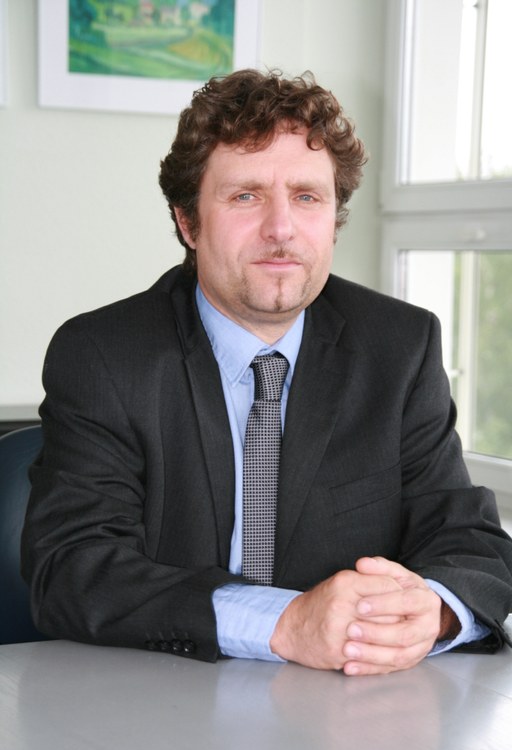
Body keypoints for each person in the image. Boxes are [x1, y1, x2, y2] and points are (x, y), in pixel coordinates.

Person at [22, 69, 512, 676]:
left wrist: (431, 611)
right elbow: (71, 568)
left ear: (333, 218)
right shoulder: (104, 354)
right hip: (162, 696)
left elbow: (470, 543)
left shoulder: (400, 347)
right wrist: (284, 622)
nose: (281, 228)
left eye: (307, 197)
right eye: (245, 196)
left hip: (354, 703)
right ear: (188, 223)